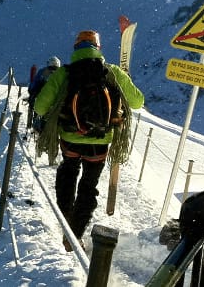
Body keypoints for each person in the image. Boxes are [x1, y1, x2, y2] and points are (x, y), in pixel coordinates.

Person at [34, 30, 143, 250]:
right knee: (88, 187)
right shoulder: (111, 72)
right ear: (98, 48)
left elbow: (40, 106)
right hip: (99, 143)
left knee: (67, 174)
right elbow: (137, 102)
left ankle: (65, 219)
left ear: (76, 48)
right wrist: (123, 80)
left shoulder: (64, 73)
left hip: (70, 140)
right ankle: (75, 234)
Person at [28, 56, 61, 132]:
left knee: (37, 112)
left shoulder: (42, 72)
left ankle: (36, 126)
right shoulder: (62, 73)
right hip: (57, 101)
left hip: (41, 99)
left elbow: (33, 86)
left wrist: (32, 94)